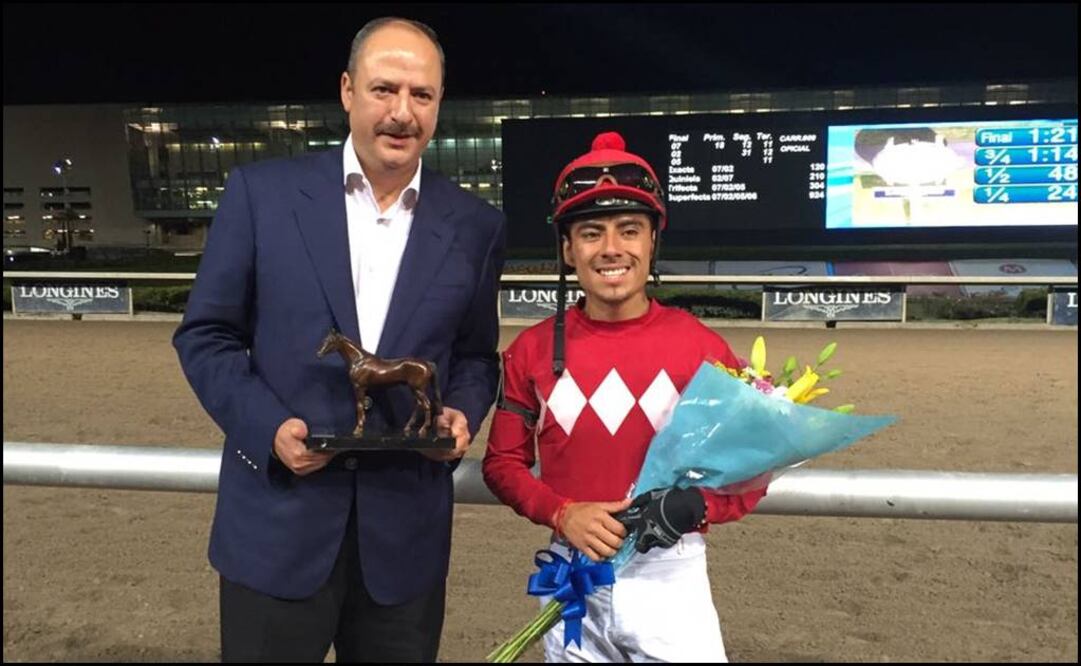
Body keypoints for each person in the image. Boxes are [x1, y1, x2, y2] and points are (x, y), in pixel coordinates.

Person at [173, 17, 505, 663]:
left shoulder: (475, 224)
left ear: (438, 104)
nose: (402, 112)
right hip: (275, 530)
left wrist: (463, 409)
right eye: (384, 90)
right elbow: (207, 335)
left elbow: (473, 355)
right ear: (348, 91)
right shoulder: (260, 195)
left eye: (421, 95)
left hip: (404, 544)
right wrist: (268, 427)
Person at [482, 131, 766, 662]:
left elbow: (752, 469)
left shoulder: (702, 349)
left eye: (629, 230)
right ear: (568, 248)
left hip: (670, 578)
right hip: (573, 577)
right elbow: (502, 464)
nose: (611, 249)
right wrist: (563, 514)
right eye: (591, 233)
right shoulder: (530, 351)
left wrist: (694, 505)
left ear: (652, 240)